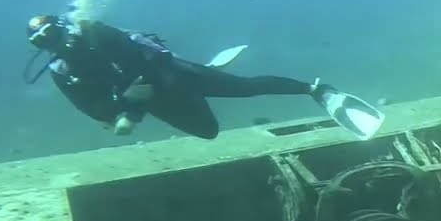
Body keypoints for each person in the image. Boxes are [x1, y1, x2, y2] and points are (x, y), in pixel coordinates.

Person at [23, 14, 384, 140]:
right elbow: (93, 108)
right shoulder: (62, 72)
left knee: (245, 88)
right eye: (43, 41)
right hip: (147, 99)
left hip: (170, 75)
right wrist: (125, 103)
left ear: (62, 25)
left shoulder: (93, 31)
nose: (53, 42)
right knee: (209, 132)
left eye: (52, 33)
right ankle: (209, 74)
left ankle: (317, 90)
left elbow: (143, 55)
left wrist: (133, 102)